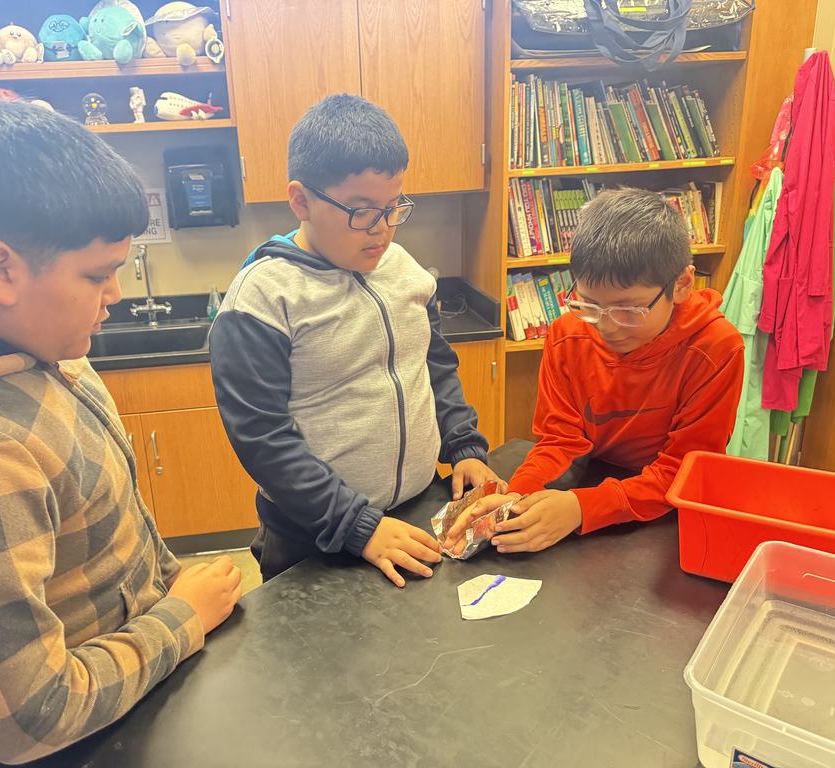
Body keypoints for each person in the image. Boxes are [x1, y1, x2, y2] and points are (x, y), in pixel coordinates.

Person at [0, 100, 242, 766]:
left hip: (123, 685)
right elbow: (30, 719)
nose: (114, 294)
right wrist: (183, 618)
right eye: (96, 274)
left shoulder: (25, 336)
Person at [210, 94, 497, 586]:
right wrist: (357, 527)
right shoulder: (261, 299)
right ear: (301, 200)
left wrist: (464, 444)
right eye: (361, 211)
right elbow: (262, 438)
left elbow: (434, 367)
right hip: (314, 539)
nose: (382, 230)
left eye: (393, 207)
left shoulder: (403, 268)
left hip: (417, 510)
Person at [445, 188, 745, 554]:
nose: (606, 326)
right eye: (588, 304)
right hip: (592, 481)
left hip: (666, 511)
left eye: (628, 310)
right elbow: (560, 440)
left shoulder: (715, 348)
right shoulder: (567, 334)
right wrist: (518, 494)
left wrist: (581, 508)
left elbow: (684, 470)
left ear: (681, 284)